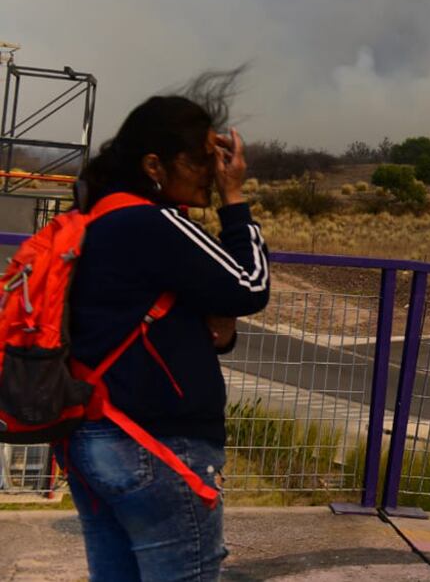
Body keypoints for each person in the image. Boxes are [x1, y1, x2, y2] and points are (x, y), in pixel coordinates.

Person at [57, 72, 270, 582]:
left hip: (92, 438)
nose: (210, 173)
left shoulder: (94, 220)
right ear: (154, 165)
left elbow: (143, 316)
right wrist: (235, 197)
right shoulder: (154, 223)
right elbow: (250, 285)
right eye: (199, 160)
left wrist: (214, 326)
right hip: (157, 445)